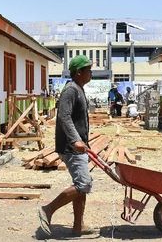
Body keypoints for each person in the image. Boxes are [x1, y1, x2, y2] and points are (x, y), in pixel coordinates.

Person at [39, 55, 94, 238]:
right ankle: (48, 210)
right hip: (72, 148)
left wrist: (84, 141)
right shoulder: (71, 90)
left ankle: (78, 226)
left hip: (79, 146)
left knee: (81, 186)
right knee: (83, 184)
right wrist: (75, 140)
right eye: (88, 70)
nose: (91, 73)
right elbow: (64, 117)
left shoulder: (78, 89)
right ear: (79, 73)